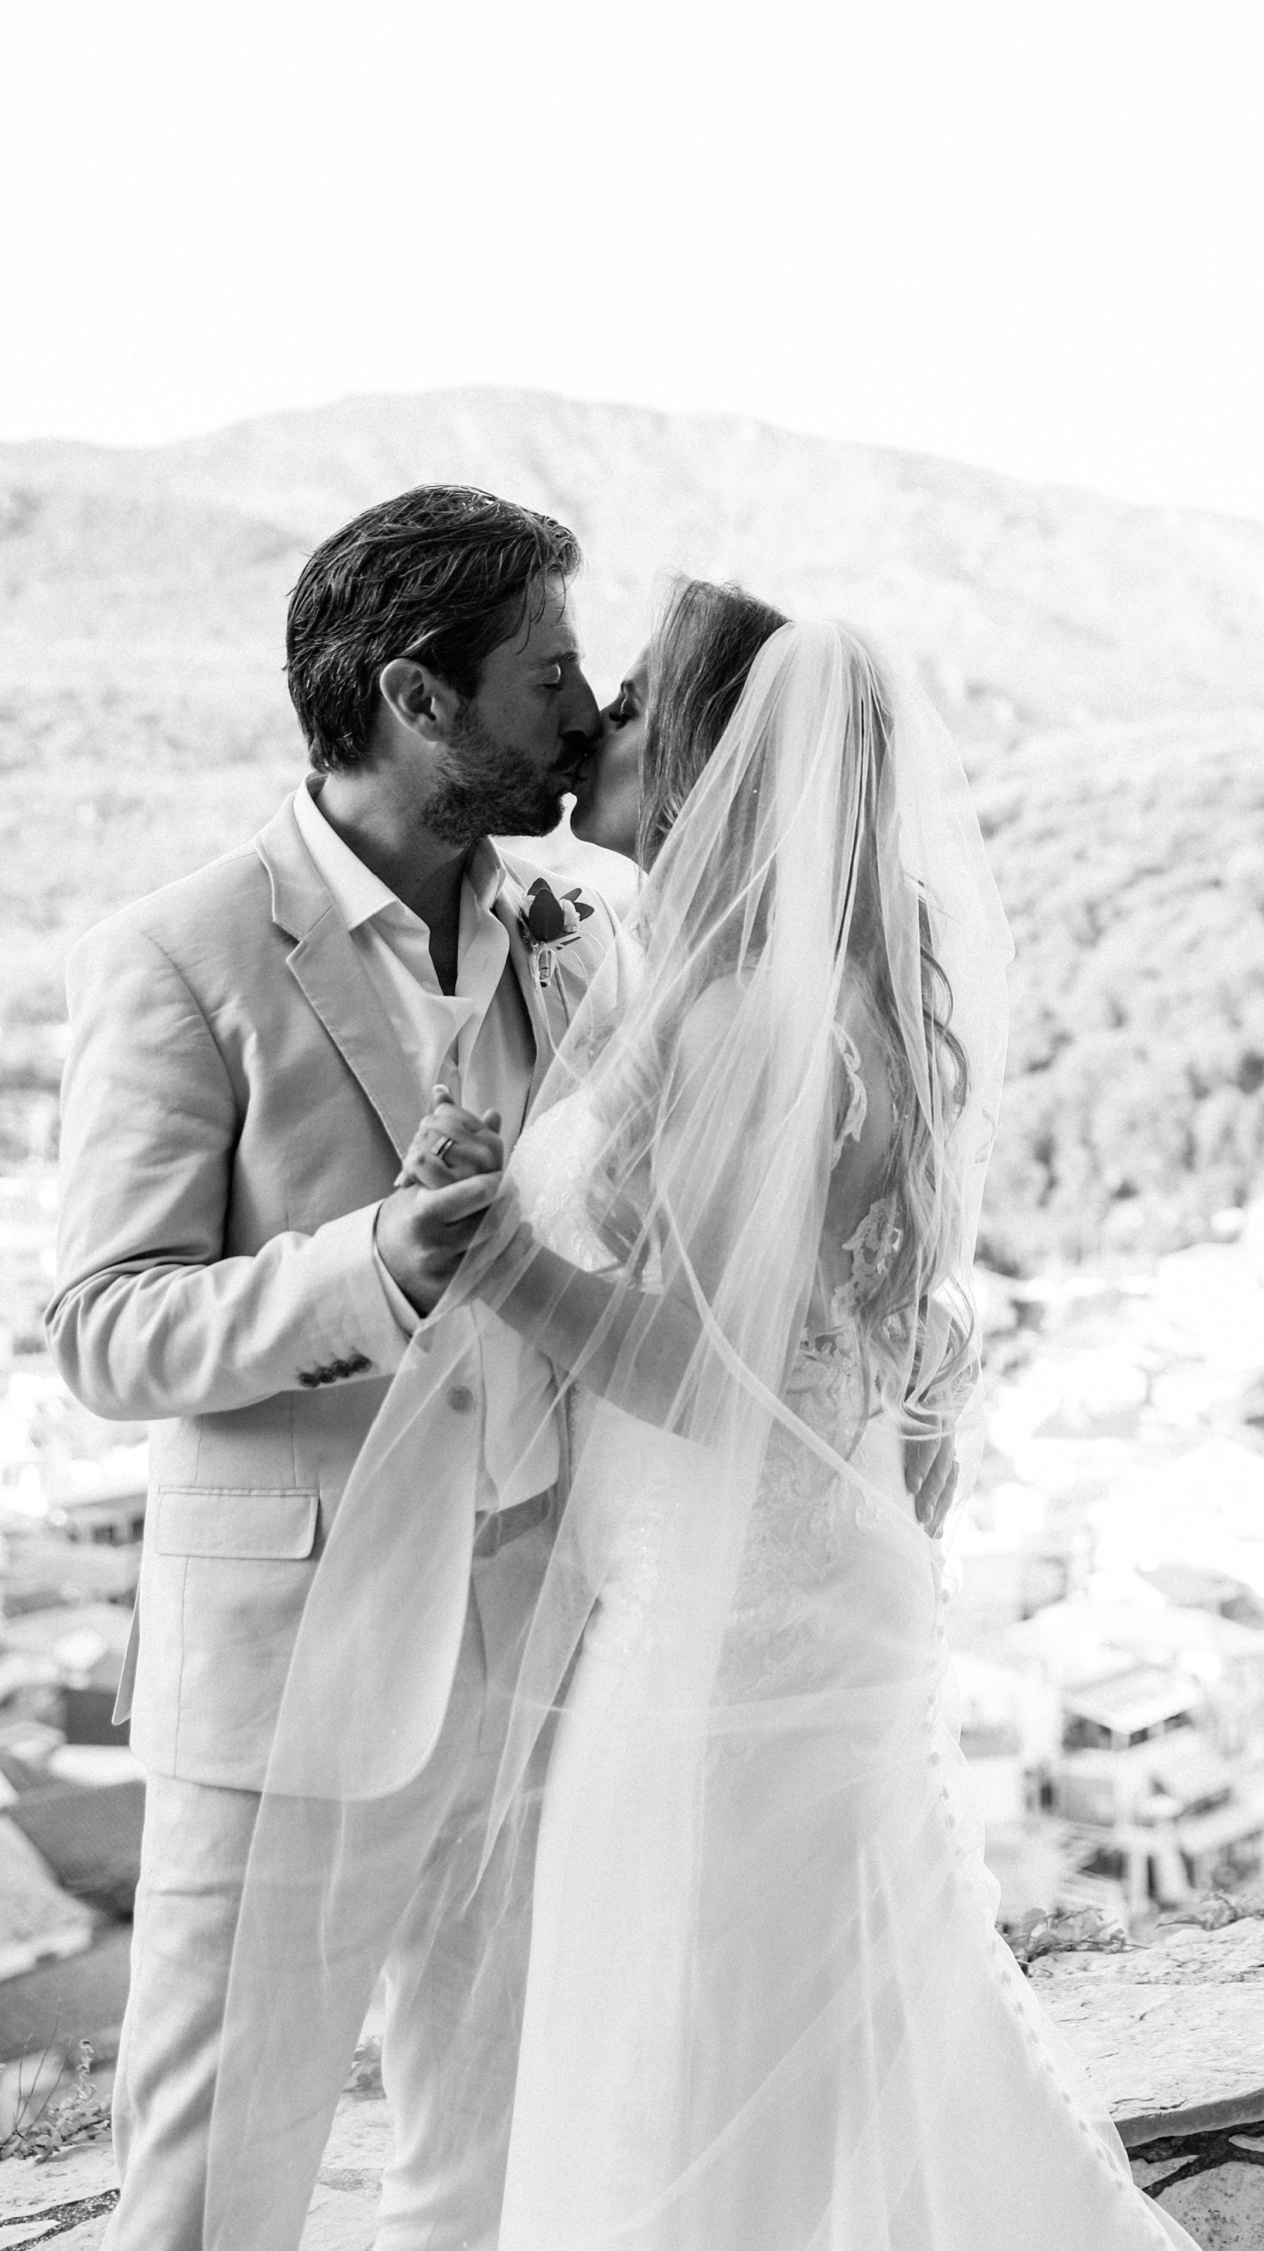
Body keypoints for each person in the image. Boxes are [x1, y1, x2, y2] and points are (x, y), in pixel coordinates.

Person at [210, 579, 1199, 2247]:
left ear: (711, 769)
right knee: (745, 2048)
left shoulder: (751, 1010)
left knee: (700, 2051)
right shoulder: (708, 977)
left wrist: (496, 1263)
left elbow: (706, 1372)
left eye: (637, 706)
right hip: (710, 1584)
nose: (594, 726)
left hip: (739, 1621)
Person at [45, 485, 617, 2251]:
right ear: (414, 700)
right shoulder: (180, 953)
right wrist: (369, 1267)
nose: (586, 716)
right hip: (291, 1671)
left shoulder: (570, 924)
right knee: (217, 2187)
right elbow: (107, 1329)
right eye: (549, 675)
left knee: (492, 2160)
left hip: (533, 1632)